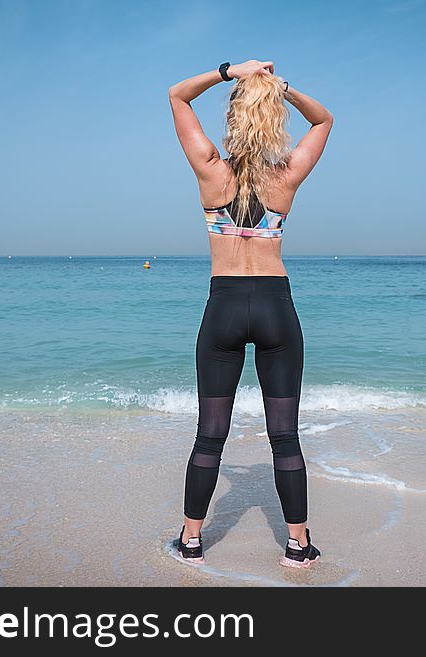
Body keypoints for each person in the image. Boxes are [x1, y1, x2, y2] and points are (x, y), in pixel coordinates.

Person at [168, 59, 333, 568]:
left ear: (234, 119)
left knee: (209, 435)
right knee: (284, 435)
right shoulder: (284, 178)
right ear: (272, 118)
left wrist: (228, 72)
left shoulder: (210, 169)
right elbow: (324, 120)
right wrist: (280, 87)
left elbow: (177, 96)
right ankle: (298, 545)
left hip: (223, 306)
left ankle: (192, 540)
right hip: (274, 306)